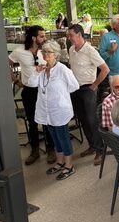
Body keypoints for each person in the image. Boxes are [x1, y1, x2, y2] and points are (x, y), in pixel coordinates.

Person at [28, 40, 79, 181]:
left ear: (56, 54)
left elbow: (74, 86)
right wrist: (36, 72)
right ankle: (60, 162)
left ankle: (69, 165)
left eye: (48, 52)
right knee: (54, 138)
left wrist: (61, 95)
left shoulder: (62, 69)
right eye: (43, 51)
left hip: (59, 110)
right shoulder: (42, 69)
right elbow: (31, 84)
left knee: (63, 138)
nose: (45, 54)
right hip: (46, 111)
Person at [9, 25, 56, 166]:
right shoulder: (19, 51)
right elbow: (6, 64)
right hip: (29, 91)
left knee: (47, 119)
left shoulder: (45, 50)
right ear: (34, 38)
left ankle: (51, 149)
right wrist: (16, 81)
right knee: (32, 121)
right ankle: (34, 150)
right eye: (42, 36)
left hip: (44, 89)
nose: (44, 38)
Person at [68, 23, 109, 166]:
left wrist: (95, 85)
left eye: (71, 35)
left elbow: (105, 69)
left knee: (92, 120)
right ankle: (92, 146)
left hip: (88, 89)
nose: (69, 38)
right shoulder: (71, 49)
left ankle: (100, 150)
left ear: (79, 35)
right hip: (75, 89)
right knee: (82, 119)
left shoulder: (90, 51)